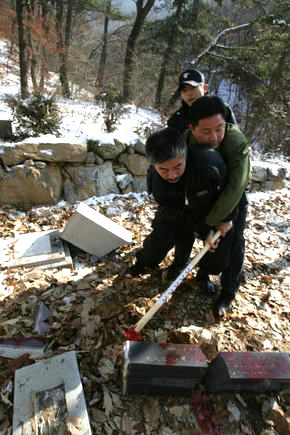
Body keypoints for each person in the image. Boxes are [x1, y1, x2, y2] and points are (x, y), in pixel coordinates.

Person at [123, 127, 228, 287]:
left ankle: (189, 270)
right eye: (163, 170)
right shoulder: (157, 183)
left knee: (212, 254)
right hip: (173, 212)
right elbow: (172, 211)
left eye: (177, 166)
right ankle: (142, 265)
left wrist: (207, 230)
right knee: (157, 244)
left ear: (185, 156)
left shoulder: (209, 164)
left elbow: (232, 193)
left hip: (207, 211)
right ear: (155, 166)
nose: (172, 175)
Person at [185, 95, 250, 316]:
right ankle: (203, 273)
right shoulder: (186, 141)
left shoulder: (236, 142)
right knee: (207, 238)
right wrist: (205, 226)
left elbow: (236, 187)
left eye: (219, 129)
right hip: (205, 193)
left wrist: (223, 220)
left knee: (235, 241)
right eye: (206, 131)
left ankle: (228, 291)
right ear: (192, 129)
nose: (214, 137)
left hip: (234, 196)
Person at [167, 69, 237, 133]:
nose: (189, 93)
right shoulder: (177, 120)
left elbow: (236, 142)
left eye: (193, 88)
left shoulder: (222, 110)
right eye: (184, 90)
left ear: (205, 88)